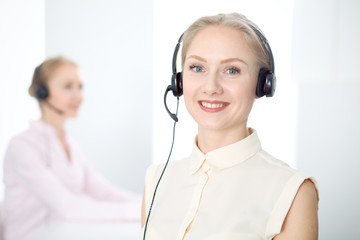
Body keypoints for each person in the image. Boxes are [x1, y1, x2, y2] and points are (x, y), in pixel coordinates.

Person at [141, 13, 319, 240]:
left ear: (262, 84)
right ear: (179, 81)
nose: (211, 86)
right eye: (197, 67)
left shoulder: (293, 191)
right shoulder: (156, 180)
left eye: (232, 70)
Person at [2, 56, 141, 240]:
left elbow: (102, 190)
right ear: (43, 92)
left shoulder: (70, 145)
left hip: (62, 233)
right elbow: (67, 206)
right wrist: (137, 211)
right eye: (68, 87)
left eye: (80, 87)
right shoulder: (22, 146)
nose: (79, 96)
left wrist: (148, 203)